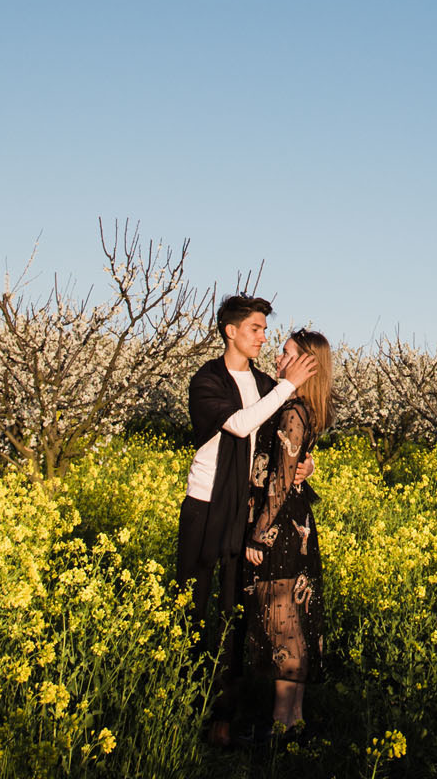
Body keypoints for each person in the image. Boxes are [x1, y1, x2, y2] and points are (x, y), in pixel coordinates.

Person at [177, 294, 317, 749]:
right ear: (230, 331)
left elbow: (279, 440)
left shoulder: (262, 381)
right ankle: (187, 705)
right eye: (255, 328)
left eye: (263, 329)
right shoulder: (207, 381)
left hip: (245, 510)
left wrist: (304, 462)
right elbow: (238, 425)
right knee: (193, 607)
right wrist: (283, 388)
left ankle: (227, 713)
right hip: (207, 506)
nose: (262, 336)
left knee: (234, 615)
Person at [241, 328, 331, 735]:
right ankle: (294, 722)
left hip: (279, 531)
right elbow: (290, 469)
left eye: (287, 352)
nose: (278, 356)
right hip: (297, 526)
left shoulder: (292, 411)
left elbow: (278, 482)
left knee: (283, 628)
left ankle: (280, 725)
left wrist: (258, 534)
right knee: (295, 626)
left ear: (305, 364)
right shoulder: (303, 409)